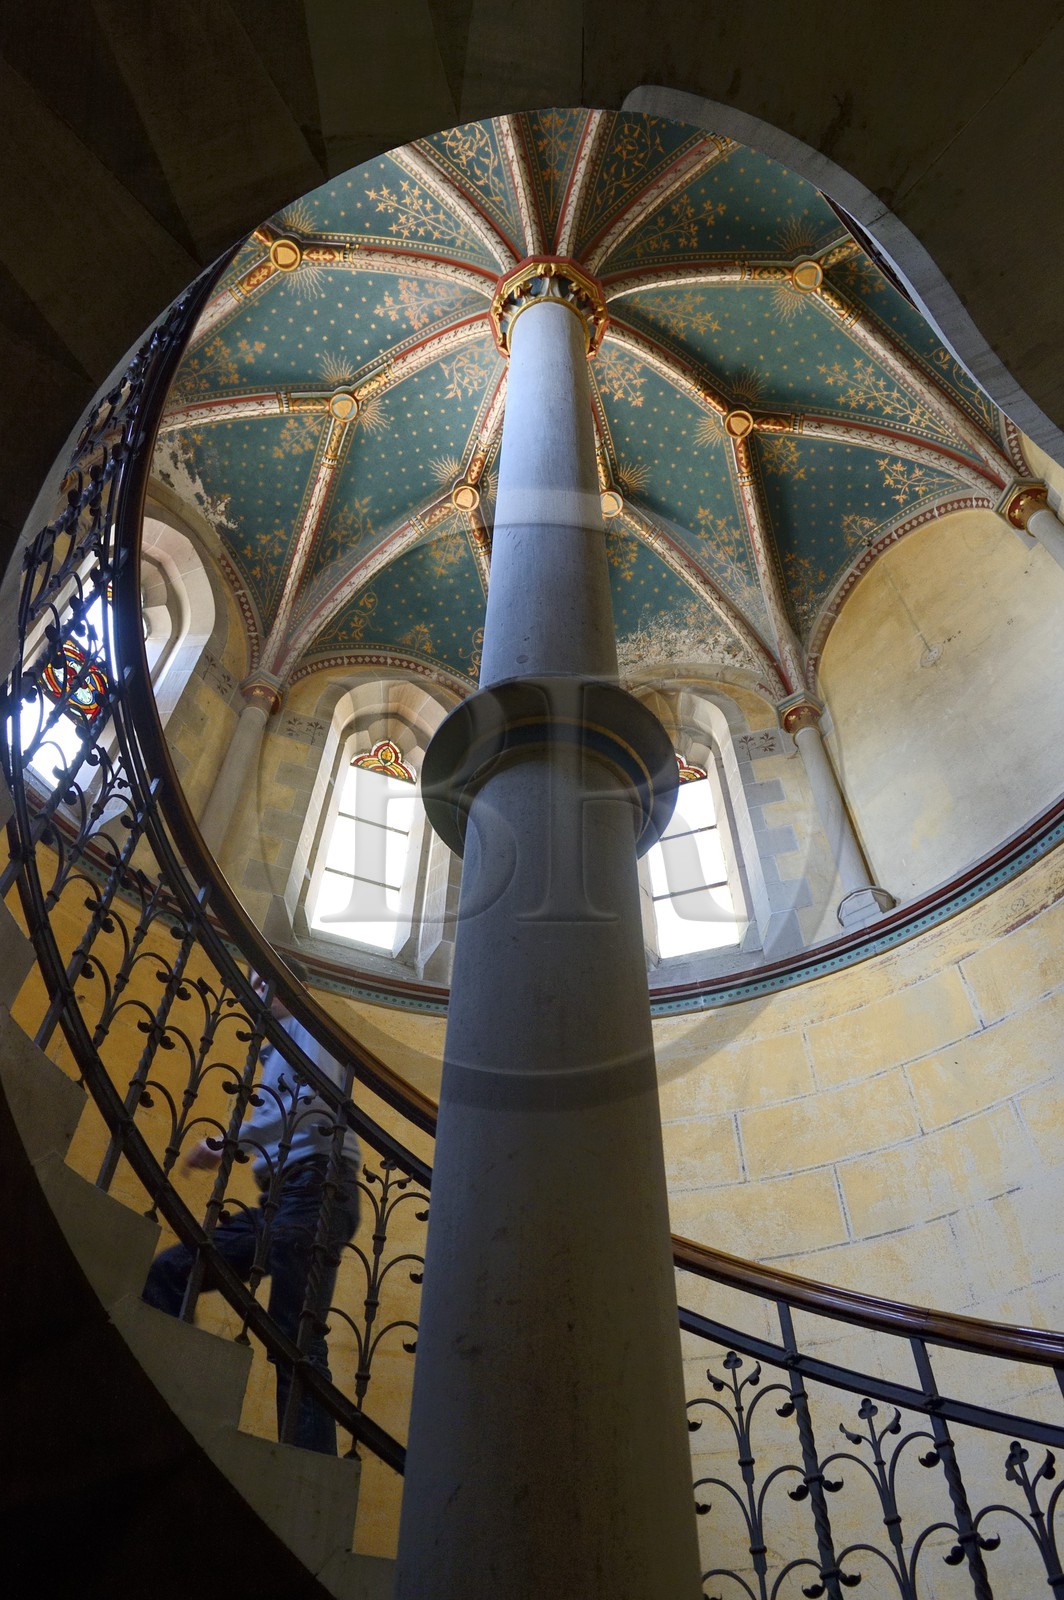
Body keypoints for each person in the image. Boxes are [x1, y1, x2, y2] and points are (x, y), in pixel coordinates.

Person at [142, 965, 360, 1454]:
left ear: (294, 987)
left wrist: (226, 1142)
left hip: (317, 1190)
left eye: (266, 983)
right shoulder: (278, 1045)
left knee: (295, 1342)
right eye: (255, 985)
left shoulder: (311, 1026)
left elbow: (310, 1102)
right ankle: (180, 1396)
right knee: (175, 1269)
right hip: (285, 1199)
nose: (256, 992)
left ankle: (310, 1469)